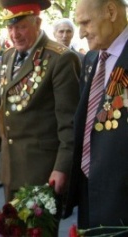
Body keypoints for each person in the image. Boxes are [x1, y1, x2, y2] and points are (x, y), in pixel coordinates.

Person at [0, 0, 80, 235]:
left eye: (21, 26)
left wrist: (62, 168)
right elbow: (5, 107)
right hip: (11, 166)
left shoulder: (60, 58)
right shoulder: (10, 55)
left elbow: (69, 123)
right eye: (10, 27)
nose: (15, 34)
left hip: (41, 170)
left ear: (38, 22)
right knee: (15, 229)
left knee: (37, 233)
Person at [64, 0, 128, 233]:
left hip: (121, 201)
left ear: (111, 12)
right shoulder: (91, 59)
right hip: (89, 192)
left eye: (85, 22)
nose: (80, 33)